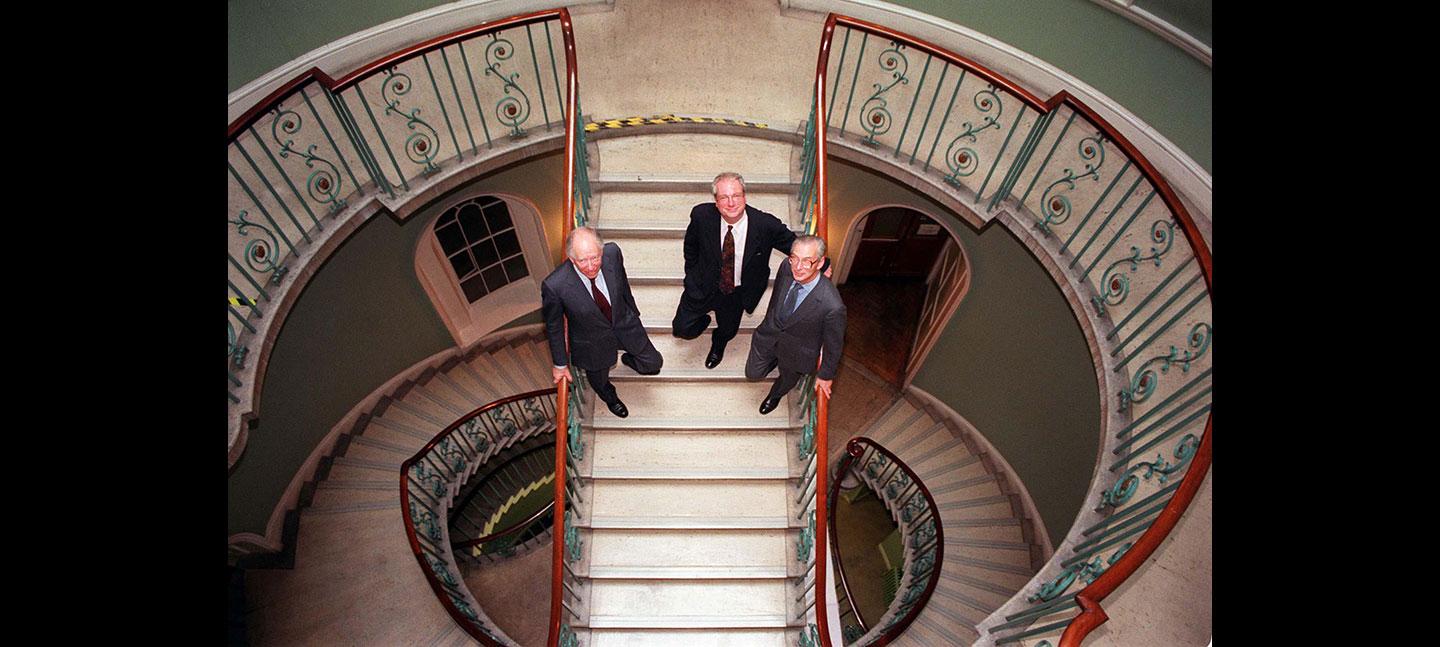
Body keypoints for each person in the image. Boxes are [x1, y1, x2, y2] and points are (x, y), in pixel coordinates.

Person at [673, 172, 797, 369]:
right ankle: (704, 320)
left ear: (744, 196)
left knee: (728, 330)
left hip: (736, 292)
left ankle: (718, 344)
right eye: (724, 197)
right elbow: (691, 247)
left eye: (736, 196)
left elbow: (795, 245)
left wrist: (822, 264)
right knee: (681, 329)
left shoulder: (765, 224)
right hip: (703, 284)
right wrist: (692, 274)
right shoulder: (701, 216)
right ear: (716, 201)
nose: (731, 203)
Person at [542, 227, 663, 418]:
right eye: (582, 260)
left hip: (623, 324)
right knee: (599, 382)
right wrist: (560, 364)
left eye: (595, 258)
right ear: (571, 259)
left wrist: (633, 311)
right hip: (591, 341)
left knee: (654, 363)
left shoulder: (612, 253)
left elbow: (623, 283)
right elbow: (554, 326)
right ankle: (611, 398)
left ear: (601, 251)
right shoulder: (554, 286)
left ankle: (628, 359)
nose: (591, 266)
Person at [745, 235, 846, 415]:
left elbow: (834, 346)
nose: (798, 267)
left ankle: (775, 395)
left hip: (797, 352)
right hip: (769, 334)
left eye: (807, 261)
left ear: (820, 263)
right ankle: (771, 361)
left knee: (785, 380)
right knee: (753, 373)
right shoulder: (786, 266)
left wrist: (825, 375)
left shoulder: (832, 306)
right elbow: (777, 297)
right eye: (795, 258)